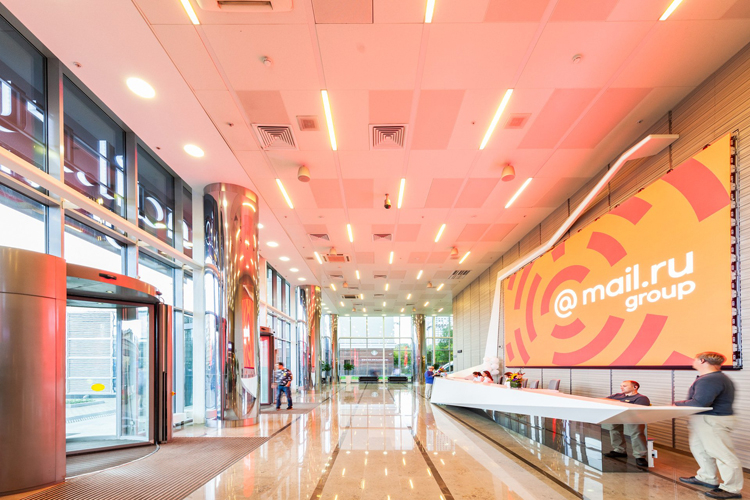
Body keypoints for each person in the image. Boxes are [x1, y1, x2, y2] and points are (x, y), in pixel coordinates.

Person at [676, 352, 742, 499]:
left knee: (723, 454)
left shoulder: (711, 379)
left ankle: (732, 489)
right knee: (700, 449)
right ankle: (707, 477)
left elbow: (700, 402)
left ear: (702, 361)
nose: (693, 361)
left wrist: (676, 404)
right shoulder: (712, 378)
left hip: (712, 420)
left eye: (694, 359)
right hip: (704, 419)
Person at [602, 380, 650, 467]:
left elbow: (640, 410)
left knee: (637, 433)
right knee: (614, 430)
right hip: (617, 415)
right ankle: (619, 450)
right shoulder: (617, 395)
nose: (621, 388)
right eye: (621, 386)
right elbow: (604, 400)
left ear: (635, 387)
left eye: (624, 386)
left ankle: (640, 456)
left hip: (633, 418)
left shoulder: (641, 398)